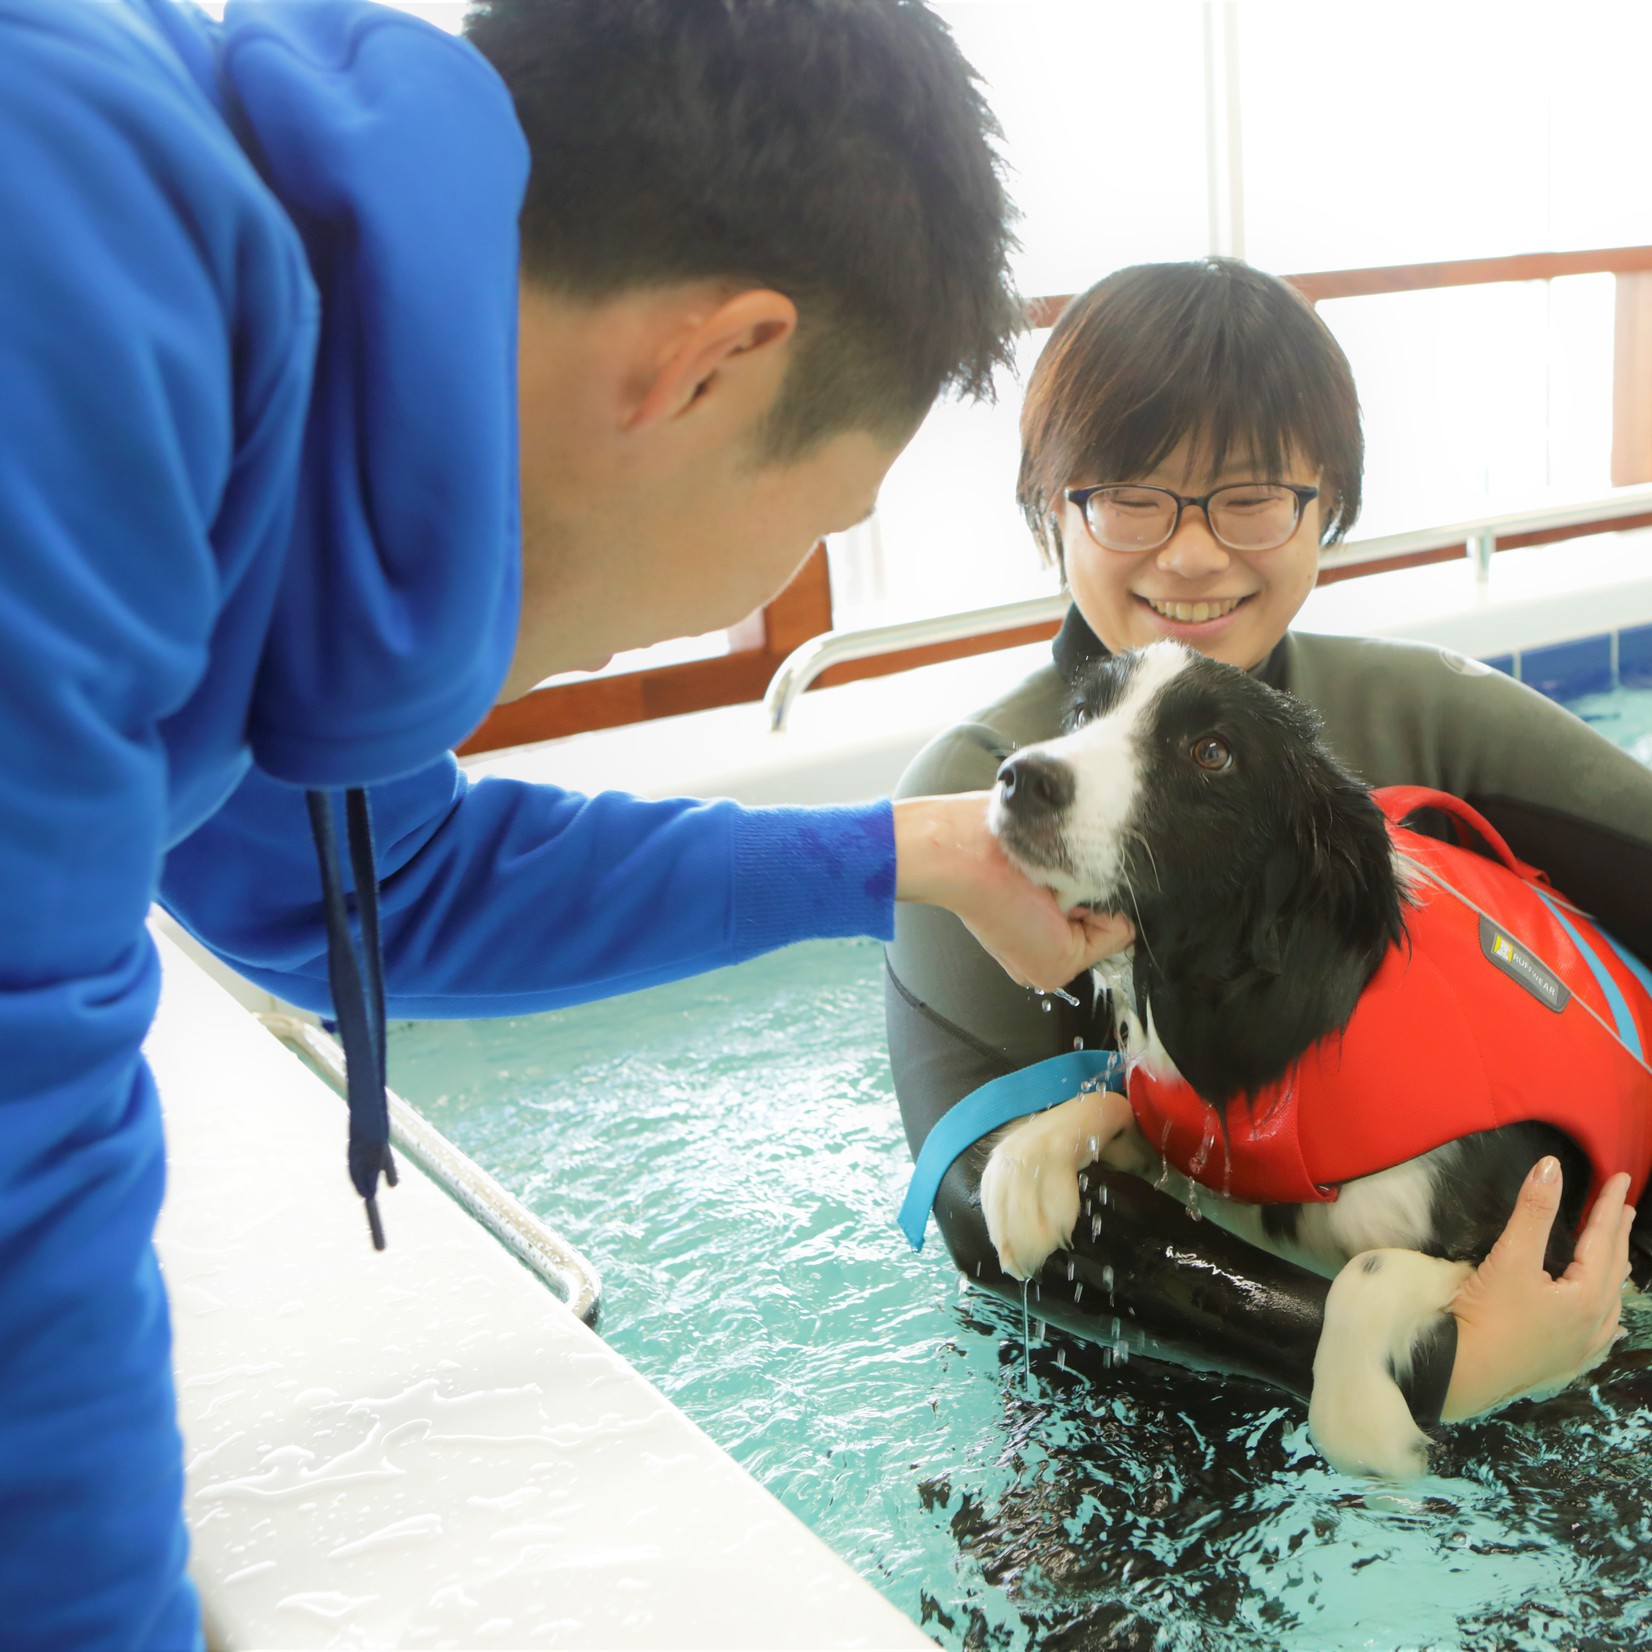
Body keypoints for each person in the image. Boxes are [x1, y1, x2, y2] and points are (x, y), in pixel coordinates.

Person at [0, 1, 1127, 1644]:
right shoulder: (82, 267)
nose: (758, 582)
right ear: (709, 365)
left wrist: (915, 852)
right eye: (815, 513)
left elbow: (380, 886)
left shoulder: (276, 395)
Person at [886, 257, 1647, 1453]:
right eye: (1129, 497)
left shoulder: (1420, 716)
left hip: (1490, 1304)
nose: (1190, 556)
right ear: (1050, 509)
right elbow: (992, 1222)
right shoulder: (987, 786)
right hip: (1122, 1383)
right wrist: (1431, 1359)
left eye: (1249, 498)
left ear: (1325, 507)